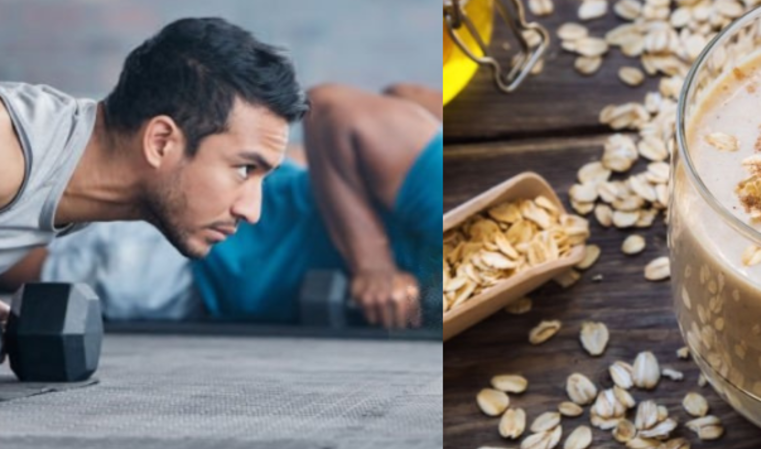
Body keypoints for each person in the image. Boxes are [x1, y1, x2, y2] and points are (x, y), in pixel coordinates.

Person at [13, 82, 442, 330]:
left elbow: (403, 95)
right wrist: (373, 265)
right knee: (24, 255)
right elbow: (328, 105)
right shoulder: (437, 188)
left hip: (236, 308)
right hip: (195, 250)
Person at [0, 17, 309, 319]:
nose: (252, 211)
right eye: (244, 169)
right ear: (161, 142)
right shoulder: (10, 150)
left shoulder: (71, 185)